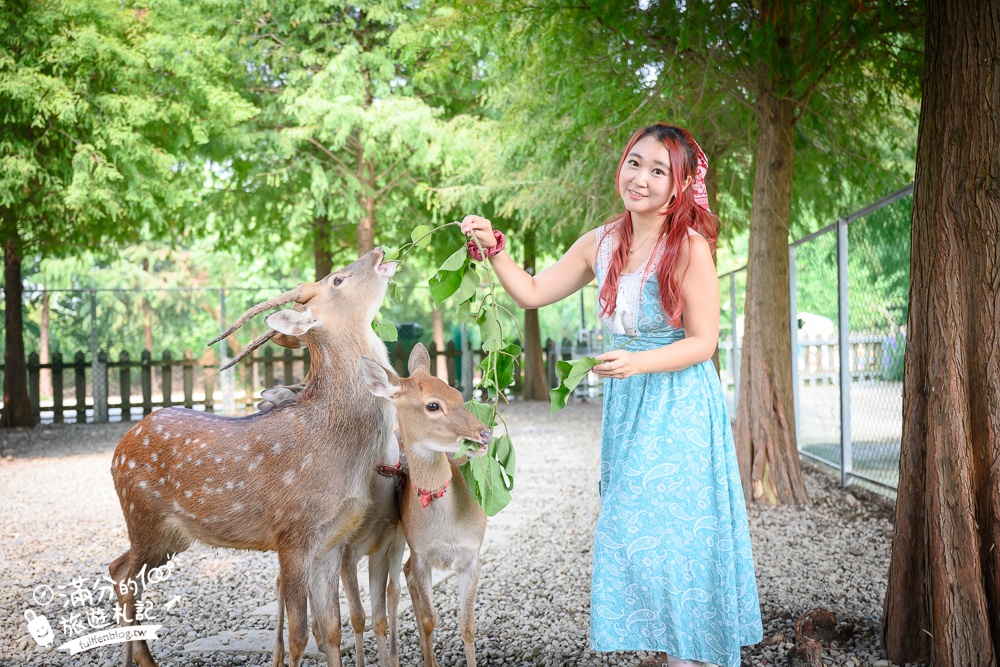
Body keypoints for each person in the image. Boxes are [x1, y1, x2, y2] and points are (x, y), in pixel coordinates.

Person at [460, 123, 763, 667]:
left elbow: (704, 342)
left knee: (674, 529)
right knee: (629, 524)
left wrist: (638, 362)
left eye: (657, 170)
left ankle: (691, 654)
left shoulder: (689, 248)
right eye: (634, 163)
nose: (640, 178)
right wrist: (495, 248)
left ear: (680, 185)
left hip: (680, 403)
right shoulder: (600, 242)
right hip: (630, 405)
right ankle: (672, 642)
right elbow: (532, 292)